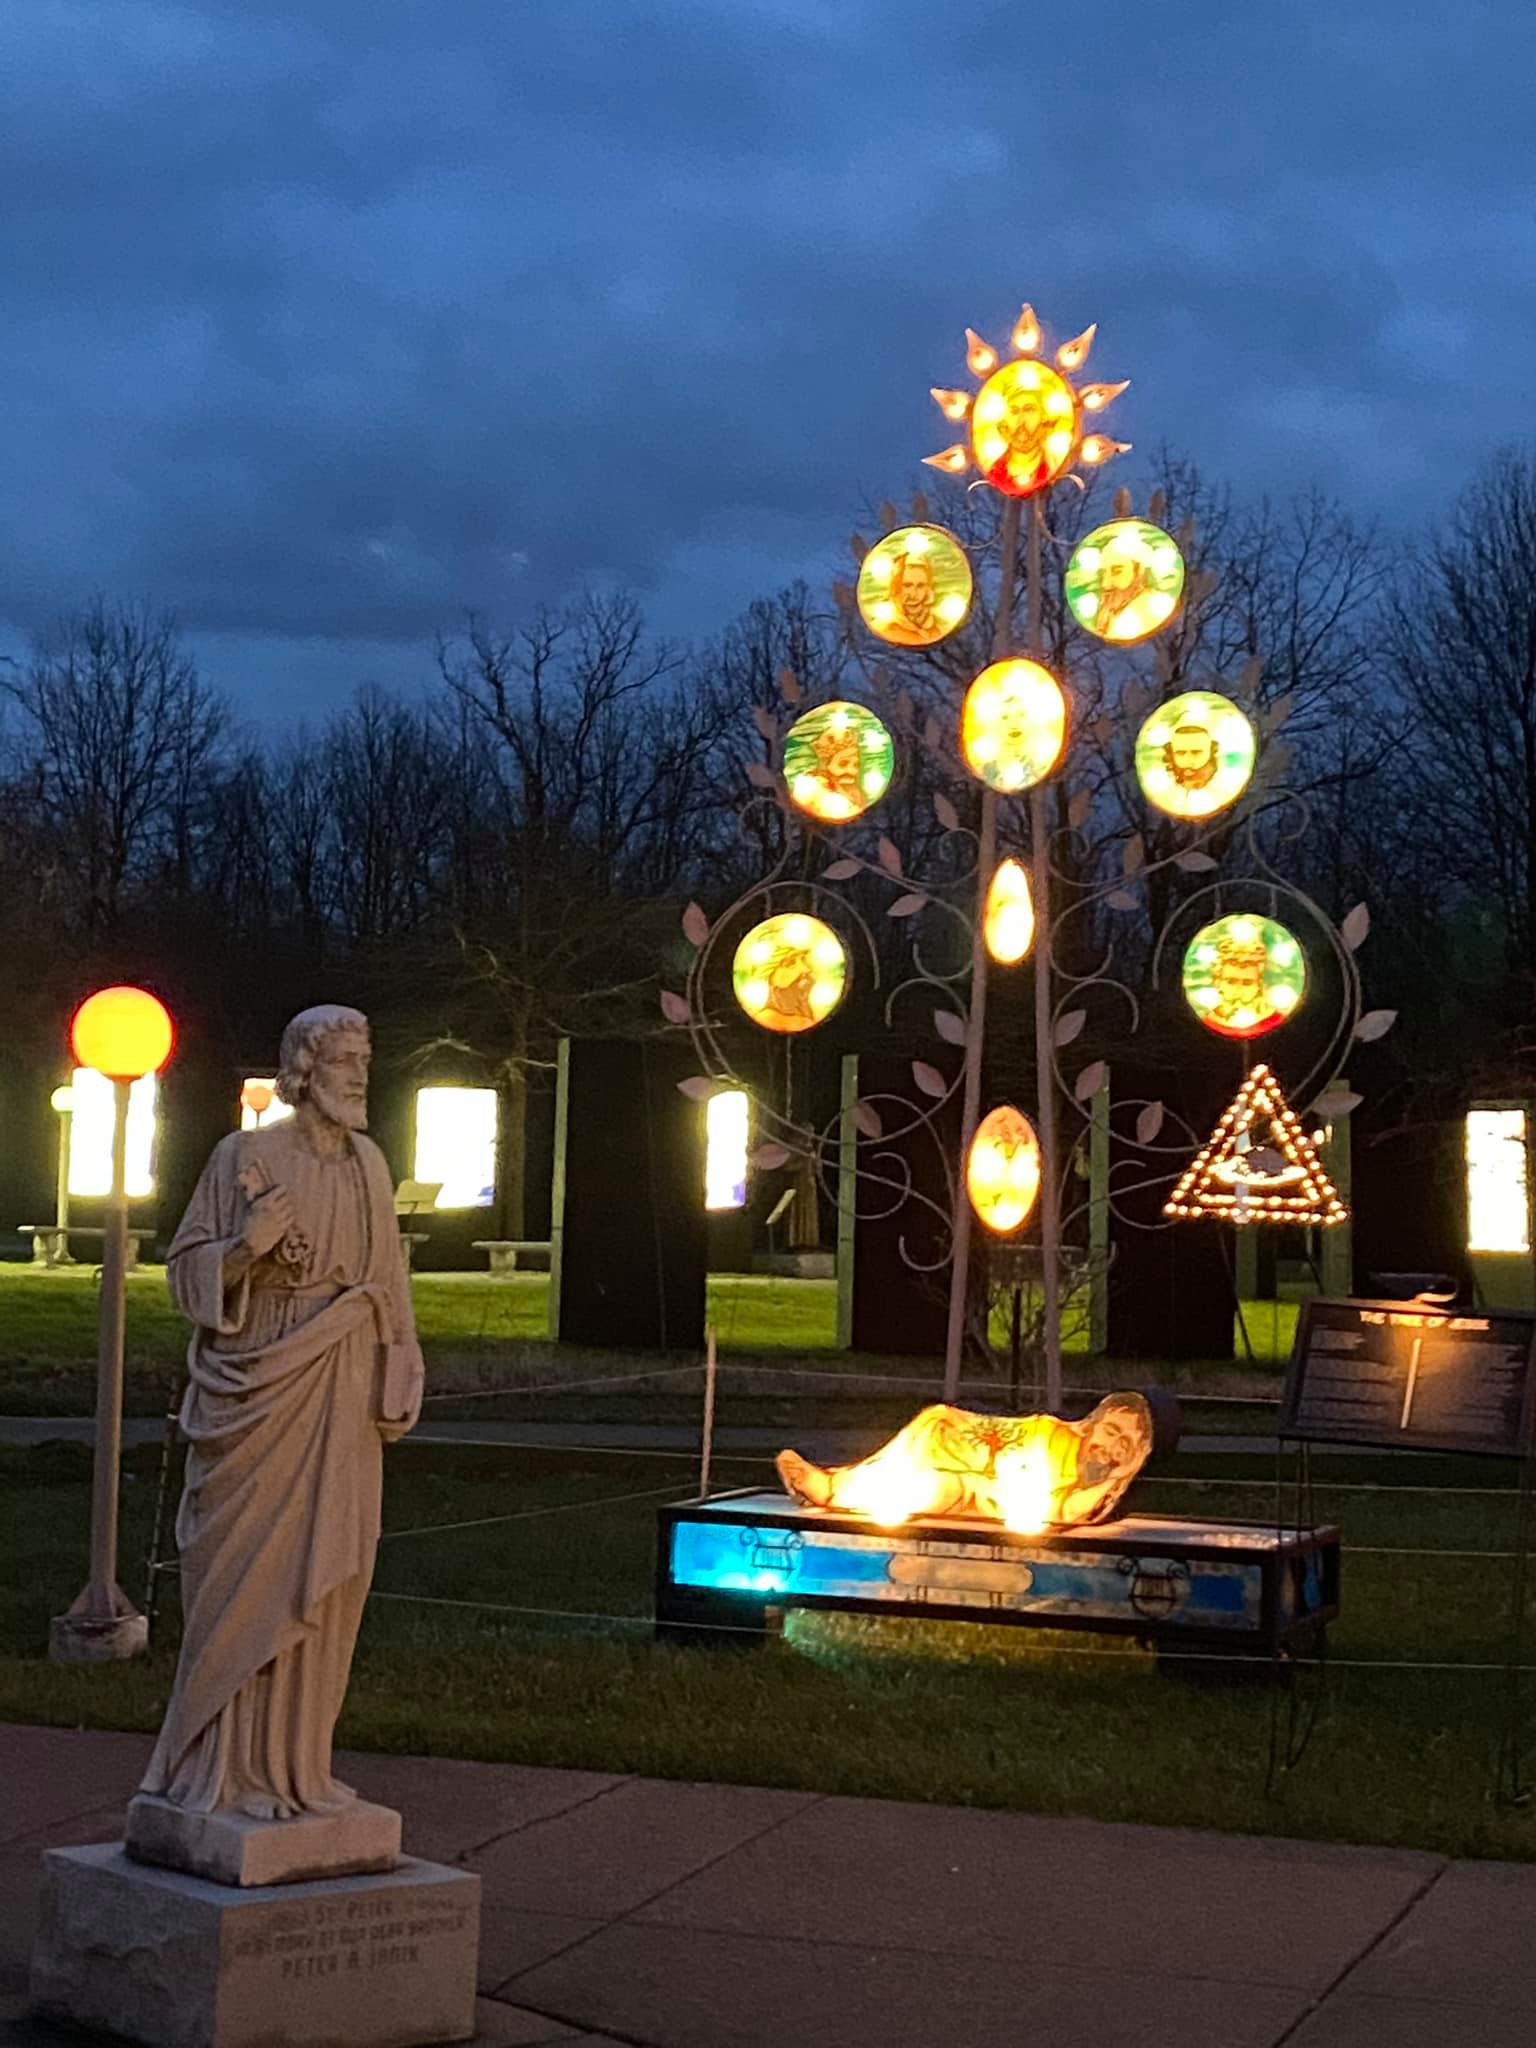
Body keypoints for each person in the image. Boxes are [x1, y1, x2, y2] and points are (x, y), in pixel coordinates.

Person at [137, 1005, 423, 1822]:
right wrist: (244, 1248)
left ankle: (299, 1767)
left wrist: (403, 1358)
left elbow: (388, 1280)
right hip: (258, 1382)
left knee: (332, 1569)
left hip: (342, 1379)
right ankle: (228, 1774)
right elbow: (186, 1272)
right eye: (343, 1060)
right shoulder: (244, 1157)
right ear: (303, 1069)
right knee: (248, 1577)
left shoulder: (369, 1163)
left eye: (366, 1058)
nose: (360, 1075)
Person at [775, 1392, 1155, 1532]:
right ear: (1094, 1425)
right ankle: (835, 1486)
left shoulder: (1093, 1485)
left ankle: (835, 1487)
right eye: (1110, 1431)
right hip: (971, 1471)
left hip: (977, 1493)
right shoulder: (1050, 1437)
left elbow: (1064, 1511)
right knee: (934, 1434)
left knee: (936, 1484)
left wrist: (1114, 1479)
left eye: (1126, 1445)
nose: (1112, 1447)